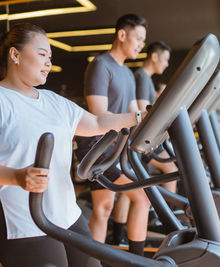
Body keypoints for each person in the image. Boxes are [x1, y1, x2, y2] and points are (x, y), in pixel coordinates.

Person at [0, 23, 145, 267]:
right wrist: (17, 177)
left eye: (50, 57)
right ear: (15, 55)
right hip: (16, 211)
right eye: (42, 54)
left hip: (61, 208)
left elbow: (96, 121)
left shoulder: (53, 101)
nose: (48, 63)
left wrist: (140, 118)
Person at [75, 14, 150, 256]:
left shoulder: (127, 74)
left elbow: (130, 113)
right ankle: (137, 260)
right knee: (142, 199)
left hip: (114, 148)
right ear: (121, 35)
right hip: (96, 147)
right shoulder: (100, 65)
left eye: (143, 40)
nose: (141, 44)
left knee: (103, 209)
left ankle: (92, 261)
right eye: (138, 38)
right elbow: (99, 115)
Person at [134, 41, 178, 193]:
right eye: (165, 59)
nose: (166, 64)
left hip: (149, 138)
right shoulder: (141, 77)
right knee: (172, 172)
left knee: (131, 194)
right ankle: (166, 215)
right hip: (144, 140)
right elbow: (142, 112)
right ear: (154, 56)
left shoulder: (146, 79)